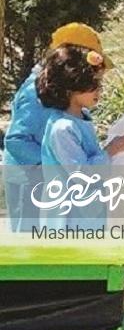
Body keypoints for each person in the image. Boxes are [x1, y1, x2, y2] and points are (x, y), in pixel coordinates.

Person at [4, 23, 113, 232]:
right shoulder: (33, 92)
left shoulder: (69, 100)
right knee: (29, 242)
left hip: (50, 181)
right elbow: (16, 141)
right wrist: (56, 164)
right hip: (27, 180)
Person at [37, 44, 124, 227]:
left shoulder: (81, 116)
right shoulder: (63, 129)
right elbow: (82, 175)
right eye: (94, 85)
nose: (99, 90)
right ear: (71, 88)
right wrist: (111, 150)